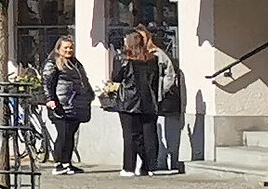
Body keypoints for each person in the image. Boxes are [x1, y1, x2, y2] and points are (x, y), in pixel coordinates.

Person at [106, 30, 179, 176]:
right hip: (149, 101)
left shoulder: (125, 60)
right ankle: (149, 166)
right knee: (149, 134)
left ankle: (129, 167)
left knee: (130, 135)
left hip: (129, 102)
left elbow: (116, 77)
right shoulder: (153, 59)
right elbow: (158, 80)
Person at [41, 41, 94, 174]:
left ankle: (67, 162)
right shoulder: (52, 63)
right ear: (58, 48)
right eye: (66, 47)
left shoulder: (75, 63)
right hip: (61, 103)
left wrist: (89, 94)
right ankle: (58, 164)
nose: (69, 50)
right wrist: (49, 99)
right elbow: (47, 82)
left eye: (71, 47)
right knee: (63, 134)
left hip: (76, 104)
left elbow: (83, 80)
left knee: (70, 135)